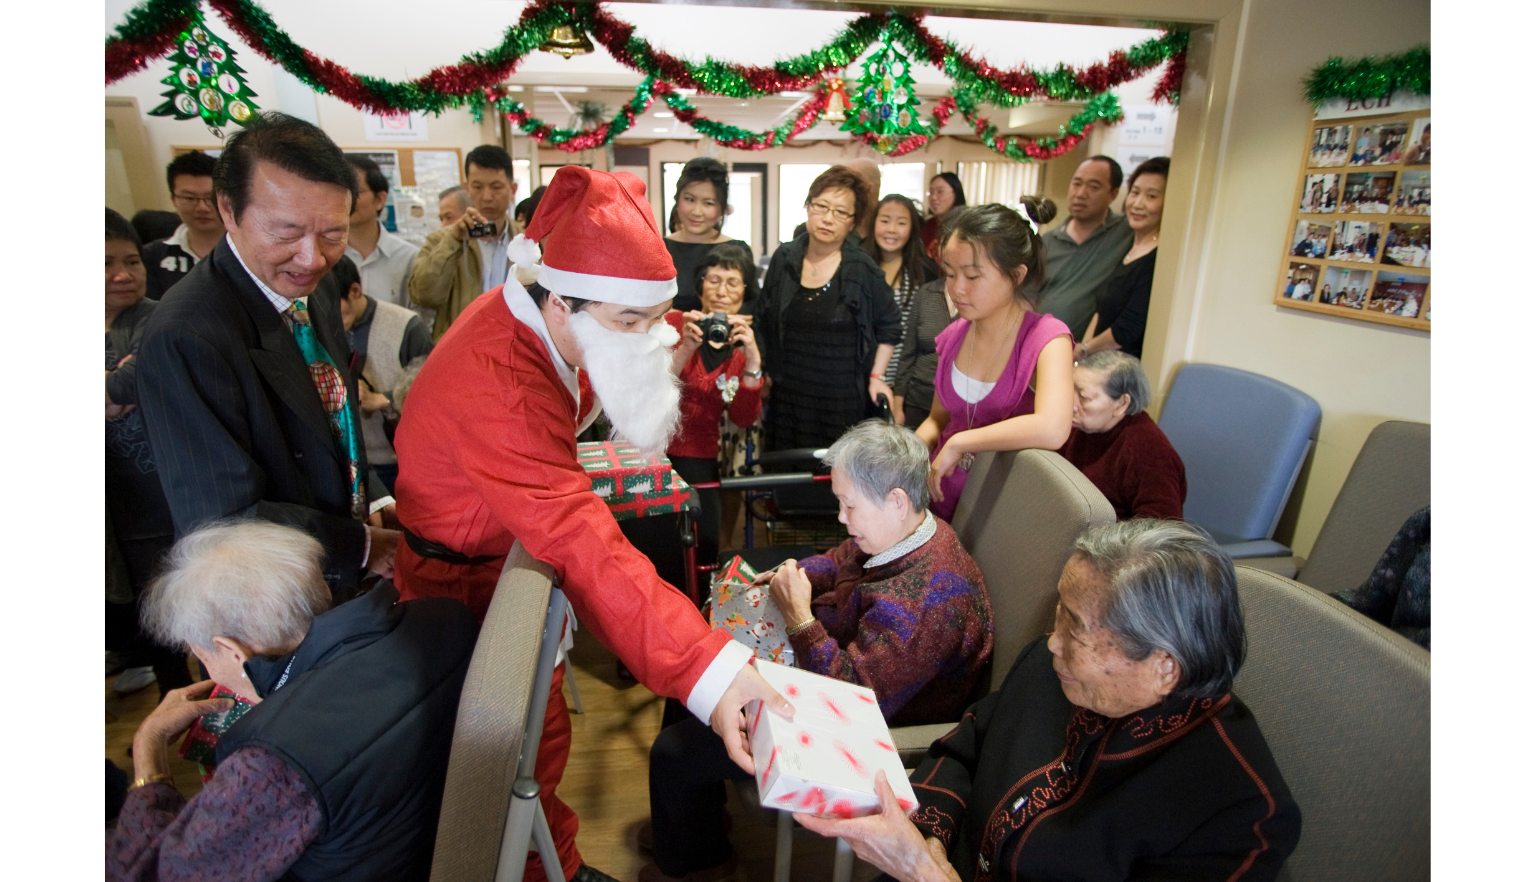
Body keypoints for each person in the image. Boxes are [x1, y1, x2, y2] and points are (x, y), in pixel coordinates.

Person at [391, 166, 790, 882]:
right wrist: (711, 670)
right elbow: (581, 539)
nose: (647, 338)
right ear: (555, 300)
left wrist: (664, 331)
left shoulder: (553, 319)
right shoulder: (501, 383)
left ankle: (558, 860)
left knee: (541, 748)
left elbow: (624, 337)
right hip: (463, 589)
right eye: (629, 322)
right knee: (515, 757)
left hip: (505, 559)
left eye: (656, 316)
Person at [796, 519, 1302, 882]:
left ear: (1163, 667)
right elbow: (970, 741)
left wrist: (924, 872)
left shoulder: (1239, 815)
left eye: (1076, 629)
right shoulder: (1056, 666)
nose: (1052, 640)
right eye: (1060, 609)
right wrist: (928, 832)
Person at [641, 420, 993, 882]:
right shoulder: (907, 530)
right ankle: (695, 825)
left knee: (673, 752)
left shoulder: (927, 603)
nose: (842, 517)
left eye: (849, 505)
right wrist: (796, 574)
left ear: (897, 500)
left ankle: (700, 864)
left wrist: (799, 618)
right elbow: (844, 556)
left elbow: (853, 694)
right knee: (696, 680)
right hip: (840, 663)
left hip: (871, 726)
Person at [103, 520, 477, 882]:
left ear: (231, 651)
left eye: (203, 658)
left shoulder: (273, 763)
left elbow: (149, 874)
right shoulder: (447, 618)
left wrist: (148, 749)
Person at [135, 112, 399, 604]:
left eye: (332, 233)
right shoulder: (188, 335)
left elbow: (332, 413)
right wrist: (361, 545)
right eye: (285, 233)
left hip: (343, 577)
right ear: (228, 209)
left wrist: (375, 496)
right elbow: (224, 517)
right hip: (269, 599)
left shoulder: (314, 289)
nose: (312, 258)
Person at [916, 201, 1074, 522]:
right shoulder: (955, 334)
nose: (957, 289)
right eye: (949, 274)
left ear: (1016, 275)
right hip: (940, 500)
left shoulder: (1047, 338)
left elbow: (1052, 427)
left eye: (973, 276)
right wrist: (903, 454)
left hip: (1000, 514)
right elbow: (938, 420)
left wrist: (962, 442)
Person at [103, 208, 194, 699]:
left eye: (132, 261)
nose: (124, 274)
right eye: (107, 264)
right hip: (113, 504)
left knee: (176, 602)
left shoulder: (161, 317)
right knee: (137, 606)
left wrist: (116, 388)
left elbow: (130, 384)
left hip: (157, 493)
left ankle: (187, 699)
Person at [758, 165, 901, 451]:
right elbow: (764, 317)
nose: (827, 218)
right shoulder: (784, 258)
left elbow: (891, 325)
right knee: (789, 478)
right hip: (789, 397)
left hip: (841, 401)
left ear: (853, 222)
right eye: (821, 206)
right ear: (808, 208)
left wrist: (876, 376)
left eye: (840, 212)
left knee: (836, 482)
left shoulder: (861, 267)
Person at [665, 243, 765, 565]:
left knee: (703, 549)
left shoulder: (740, 344)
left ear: (745, 291)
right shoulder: (674, 324)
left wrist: (752, 358)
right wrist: (685, 347)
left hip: (701, 458)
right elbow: (652, 392)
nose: (722, 291)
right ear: (700, 285)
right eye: (713, 280)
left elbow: (743, 416)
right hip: (657, 452)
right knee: (659, 547)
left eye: (732, 282)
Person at [331, 255, 434, 495]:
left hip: (403, 462)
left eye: (336, 309)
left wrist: (384, 399)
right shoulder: (319, 326)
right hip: (351, 462)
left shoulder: (406, 326)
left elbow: (436, 394)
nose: (331, 319)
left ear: (355, 290)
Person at [409, 144, 520, 339]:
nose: (487, 196)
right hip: (461, 350)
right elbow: (423, 296)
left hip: (513, 348)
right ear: (467, 188)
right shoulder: (442, 240)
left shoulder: (527, 241)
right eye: (477, 187)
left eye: (496, 187)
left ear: (512, 189)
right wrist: (453, 241)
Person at [1059, 351, 1186, 520]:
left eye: (1083, 397)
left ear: (1122, 403)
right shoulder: (1081, 427)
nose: (1071, 404)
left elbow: (1160, 531)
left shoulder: (1149, 453)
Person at [1077, 157, 1167, 362]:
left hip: (1121, 373)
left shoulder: (1158, 260)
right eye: (1135, 193)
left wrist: (1084, 350)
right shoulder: (1128, 248)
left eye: (1151, 196)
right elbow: (1101, 310)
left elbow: (1126, 329)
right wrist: (1082, 358)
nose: (1137, 203)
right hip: (1095, 364)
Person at [1036, 156, 1135, 340]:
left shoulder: (1127, 232)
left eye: (1094, 187)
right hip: (1042, 343)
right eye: (1076, 184)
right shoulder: (1046, 242)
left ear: (1113, 194)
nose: (1081, 193)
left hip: (1092, 351)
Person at [867, 193, 940, 419]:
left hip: (906, 384)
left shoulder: (924, 273)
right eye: (885, 220)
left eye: (901, 223)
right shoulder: (860, 266)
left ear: (912, 229)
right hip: (864, 379)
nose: (891, 229)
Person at [665, 158, 751, 313]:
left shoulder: (738, 249)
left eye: (708, 203)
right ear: (677, 201)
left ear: (721, 208)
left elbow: (749, 308)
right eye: (689, 199)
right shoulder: (659, 249)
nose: (697, 212)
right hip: (669, 335)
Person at [343, 154, 419, 313]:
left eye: (356, 191)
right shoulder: (326, 257)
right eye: (341, 190)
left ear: (380, 199)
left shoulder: (408, 257)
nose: (347, 199)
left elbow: (418, 320)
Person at [143, 151, 225, 299]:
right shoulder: (152, 255)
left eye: (210, 198)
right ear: (173, 199)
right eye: (189, 198)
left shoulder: (253, 249)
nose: (202, 207)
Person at [893, 275, 958, 430]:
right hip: (918, 399)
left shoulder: (982, 296)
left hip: (960, 405)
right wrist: (897, 406)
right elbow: (908, 352)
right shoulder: (927, 292)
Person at [919, 172, 965, 259]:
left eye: (940, 192)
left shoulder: (966, 224)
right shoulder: (927, 225)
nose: (934, 197)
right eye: (931, 192)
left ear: (956, 193)